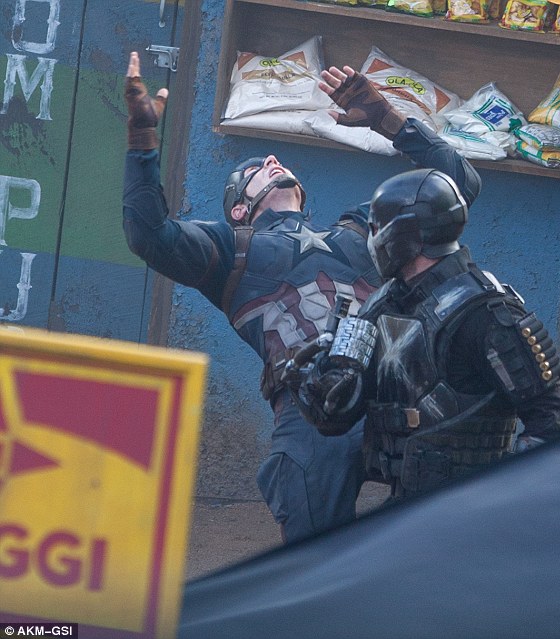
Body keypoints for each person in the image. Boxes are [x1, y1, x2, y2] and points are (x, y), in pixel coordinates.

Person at [122, 53, 482, 541]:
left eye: (275, 161)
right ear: (239, 210)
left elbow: (459, 183)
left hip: (401, 393)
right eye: (256, 168)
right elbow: (148, 235)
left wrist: (388, 119)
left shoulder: (361, 231)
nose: (273, 161)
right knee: (311, 553)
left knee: (447, 535)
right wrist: (142, 142)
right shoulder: (231, 251)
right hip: (312, 408)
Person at [287, 166, 560, 499]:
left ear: (404, 234)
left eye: (376, 229)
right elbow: (334, 417)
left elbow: (552, 424)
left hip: (472, 509)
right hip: (407, 501)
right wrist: (319, 383)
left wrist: (503, 499)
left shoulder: (487, 313)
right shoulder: (384, 304)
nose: (372, 240)